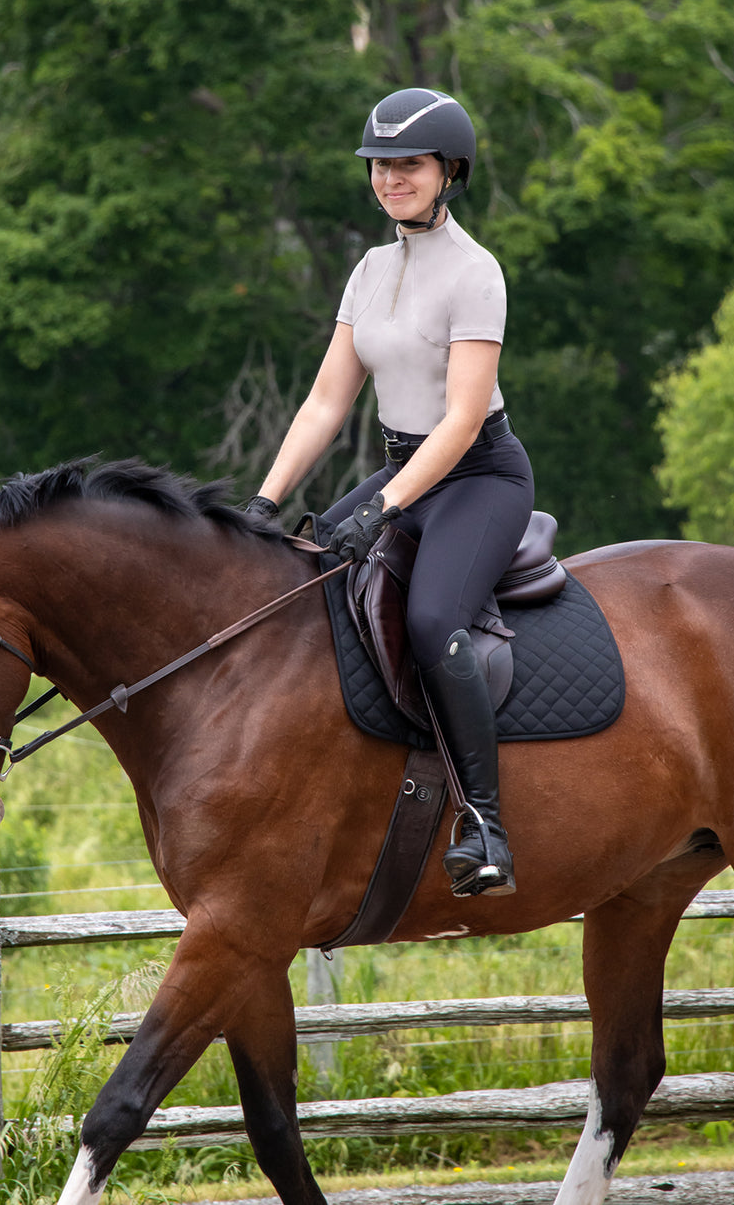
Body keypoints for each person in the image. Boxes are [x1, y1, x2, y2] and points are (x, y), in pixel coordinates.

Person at [246, 88, 534, 898]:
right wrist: (265, 504)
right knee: (304, 581)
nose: (389, 180)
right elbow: (327, 401)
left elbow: (462, 420)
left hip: (477, 474)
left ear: (449, 172)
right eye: (379, 166)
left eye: (407, 165)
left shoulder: (476, 275)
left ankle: (485, 822)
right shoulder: (369, 270)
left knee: (435, 617)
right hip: (403, 464)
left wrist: (383, 508)